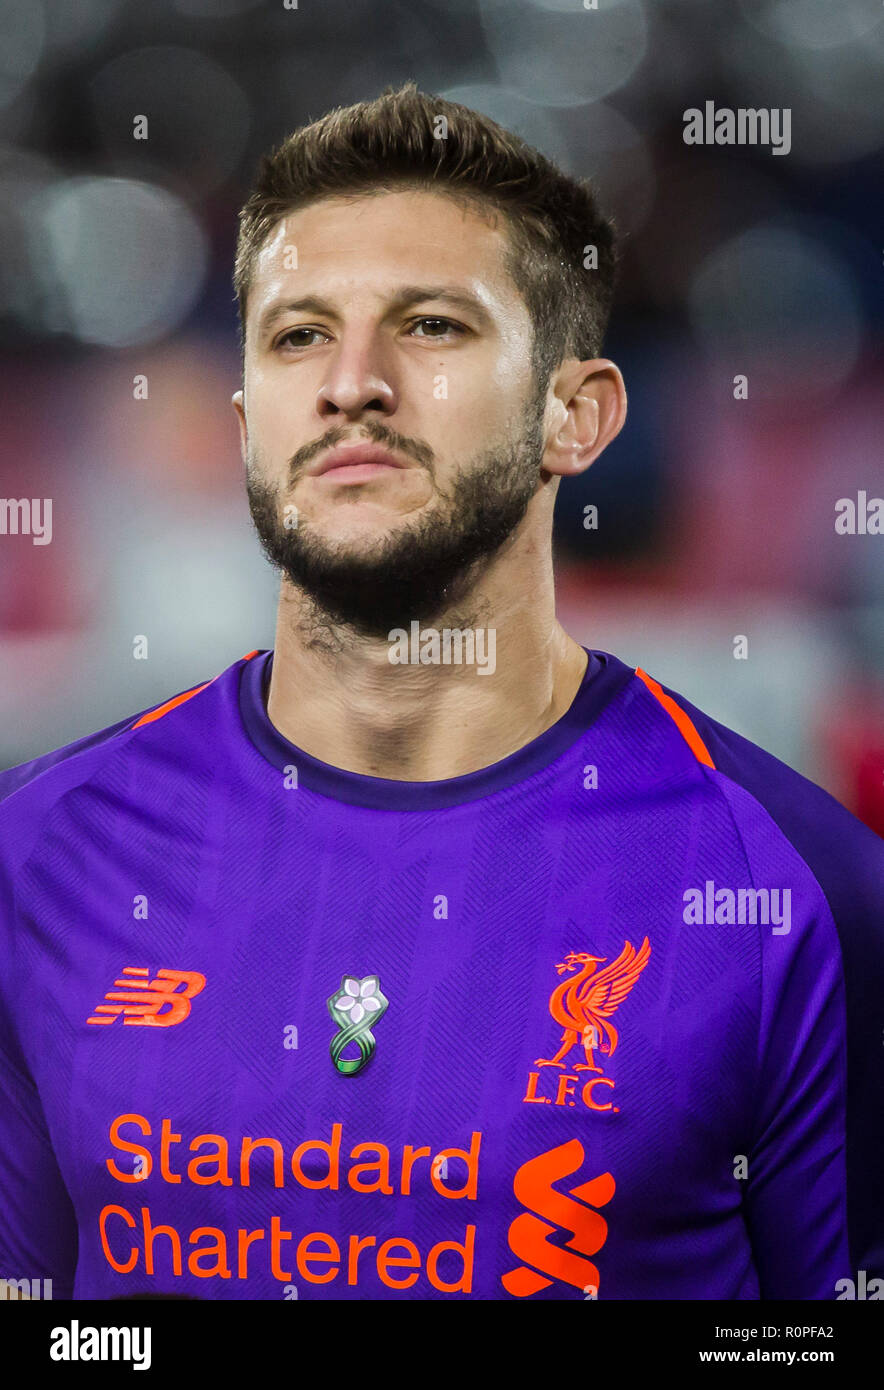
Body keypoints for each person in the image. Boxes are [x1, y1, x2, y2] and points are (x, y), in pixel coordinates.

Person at [1, 83, 882, 1302]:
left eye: (430, 326)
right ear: (251, 420)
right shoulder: (41, 852)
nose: (351, 381)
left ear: (574, 416)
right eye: (299, 333)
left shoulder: (795, 885)